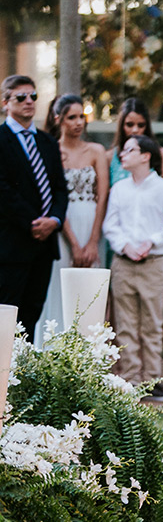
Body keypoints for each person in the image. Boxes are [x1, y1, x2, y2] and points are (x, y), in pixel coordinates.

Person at [102, 135, 163, 400]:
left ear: (146, 155)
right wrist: (125, 246)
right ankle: (131, 380)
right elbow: (110, 225)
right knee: (125, 324)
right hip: (123, 263)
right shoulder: (120, 189)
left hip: (153, 264)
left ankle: (152, 380)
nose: (123, 154)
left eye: (129, 150)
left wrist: (151, 242)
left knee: (152, 323)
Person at [0, 75, 69, 341]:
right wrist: (34, 222)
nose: (29, 102)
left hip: (45, 243)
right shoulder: (2, 138)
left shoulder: (47, 142)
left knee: (32, 315)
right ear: (6, 102)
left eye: (33, 96)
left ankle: (22, 380)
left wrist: (54, 220)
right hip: (12, 243)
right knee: (7, 316)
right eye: (21, 97)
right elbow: (3, 191)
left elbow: (60, 189)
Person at [35, 94, 109, 338]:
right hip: (62, 226)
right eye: (72, 117)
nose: (78, 122)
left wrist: (91, 241)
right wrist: (74, 243)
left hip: (91, 222)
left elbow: (102, 196)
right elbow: (54, 197)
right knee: (58, 287)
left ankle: (85, 357)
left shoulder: (96, 150)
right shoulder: (50, 150)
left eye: (82, 117)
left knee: (89, 290)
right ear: (58, 119)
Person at [106, 97, 163, 185]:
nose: (135, 130)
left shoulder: (160, 153)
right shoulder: (110, 156)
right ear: (121, 125)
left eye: (141, 125)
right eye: (129, 125)